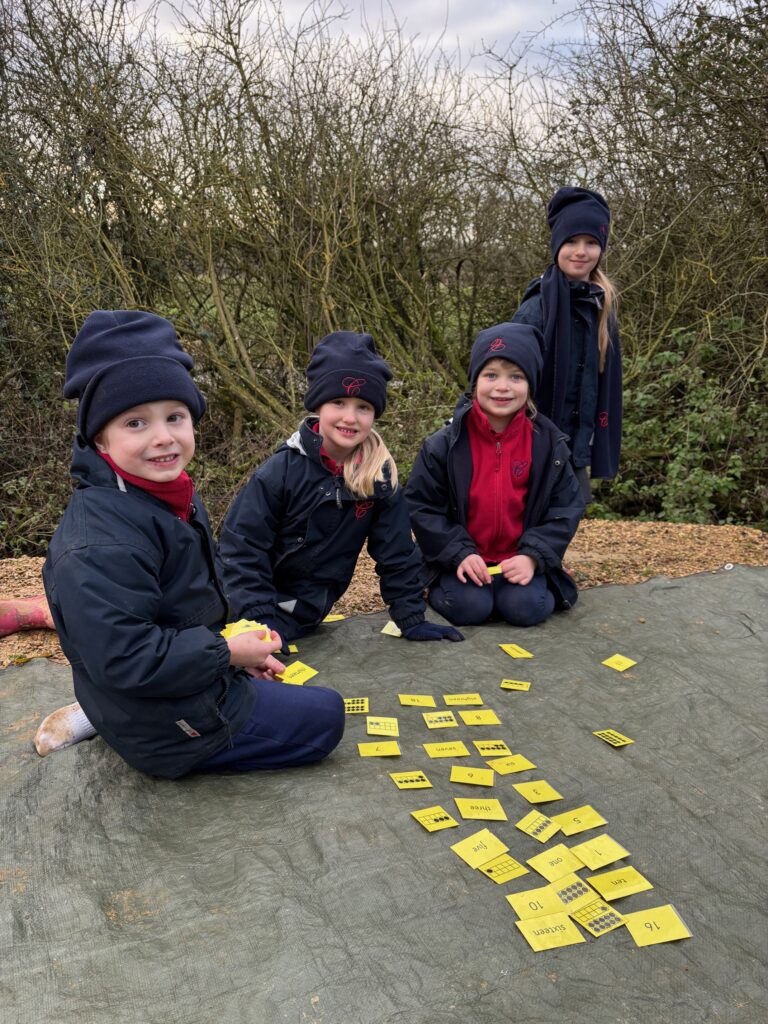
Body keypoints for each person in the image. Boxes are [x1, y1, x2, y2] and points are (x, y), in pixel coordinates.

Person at [33, 310, 345, 777]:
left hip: (168, 682)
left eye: (174, 417)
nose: (163, 438)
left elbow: (180, 609)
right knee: (328, 717)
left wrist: (233, 653)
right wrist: (227, 655)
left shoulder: (166, 490)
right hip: (167, 729)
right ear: (100, 439)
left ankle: (103, 711)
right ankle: (114, 721)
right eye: (135, 423)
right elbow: (129, 656)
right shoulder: (97, 544)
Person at [217, 331, 463, 645]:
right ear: (318, 404)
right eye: (338, 402)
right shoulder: (279, 472)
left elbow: (397, 553)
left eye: (363, 406)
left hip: (304, 614)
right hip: (244, 610)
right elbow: (242, 549)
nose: (350, 417)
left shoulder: (380, 479)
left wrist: (412, 619)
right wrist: (258, 620)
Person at [405, 322, 584, 628]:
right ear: (475, 382)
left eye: (516, 376)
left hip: (519, 559)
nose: (502, 387)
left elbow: (565, 508)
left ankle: (524, 586)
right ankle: (441, 585)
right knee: (468, 609)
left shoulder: (549, 445)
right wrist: (458, 552)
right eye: (491, 375)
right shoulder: (443, 445)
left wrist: (533, 557)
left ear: (530, 385)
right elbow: (421, 507)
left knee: (527, 608)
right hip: (463, 559)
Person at [512, 186, 622, 502]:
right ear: (556, 244)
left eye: (591, 242)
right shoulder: (538, 307)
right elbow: (508, 370)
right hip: (534, 443)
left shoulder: (602, 306)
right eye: (571, 241)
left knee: (569, 514)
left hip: (575, 446)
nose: (580, 251)